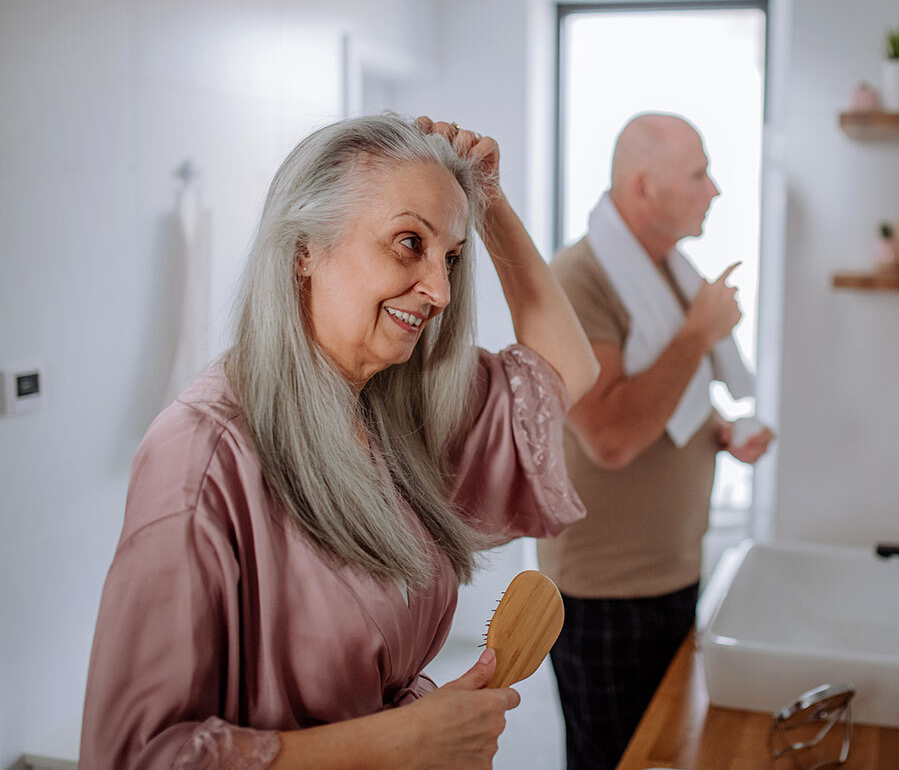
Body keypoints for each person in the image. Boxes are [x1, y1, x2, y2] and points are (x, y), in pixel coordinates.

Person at [79, 113, 599, 769]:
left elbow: (566, 370)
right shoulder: (202, 456)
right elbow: (138, 757)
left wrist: (490, 204)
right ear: (303, 249)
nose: (439, 290)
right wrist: (407, 742)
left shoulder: (393, 408)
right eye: (408, 242)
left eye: (452, 258)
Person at [537, 112, 776, 770]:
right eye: (698, 174)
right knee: (614, 761)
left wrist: (720, 432)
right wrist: (699, 332)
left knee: (661, 753)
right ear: (644, 189)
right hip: (605, 591)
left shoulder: (668, 269)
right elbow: (610, 435)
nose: (715, 190)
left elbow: (665, 402)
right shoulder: (578, 280)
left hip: (670, 571)